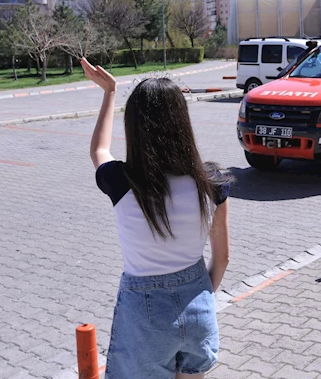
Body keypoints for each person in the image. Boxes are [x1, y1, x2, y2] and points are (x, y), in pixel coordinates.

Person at [81, 58, 231, 379]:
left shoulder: (121, 182)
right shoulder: (212, 183)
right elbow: (222, 260)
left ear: (134, 129)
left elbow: (98, 150)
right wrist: (197, 298)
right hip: (199, 311)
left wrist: (109, 92)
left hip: (145, 320)